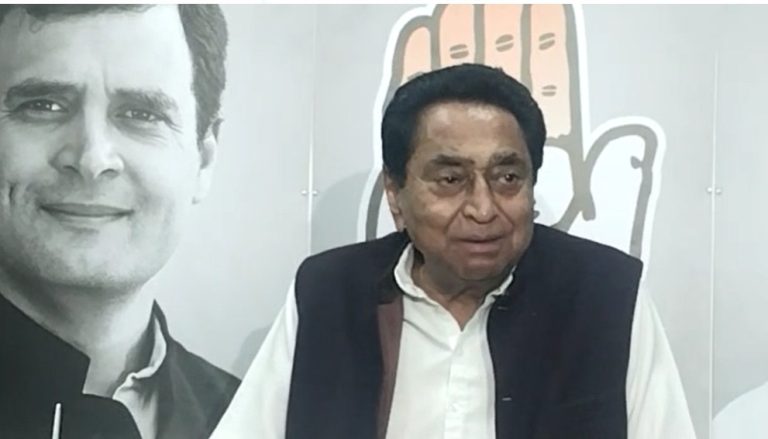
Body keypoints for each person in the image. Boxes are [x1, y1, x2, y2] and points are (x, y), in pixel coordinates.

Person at [213, 63, 696, 439]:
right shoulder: (330, 293)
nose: (483, 208)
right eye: (450, 179)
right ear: (396, 194)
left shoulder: (605, 295)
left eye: (508, 177)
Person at [0, 5, 237, 438]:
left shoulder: (255, 418)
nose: (92, 159)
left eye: (141, 114)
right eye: (43, 105)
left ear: (203, 161)